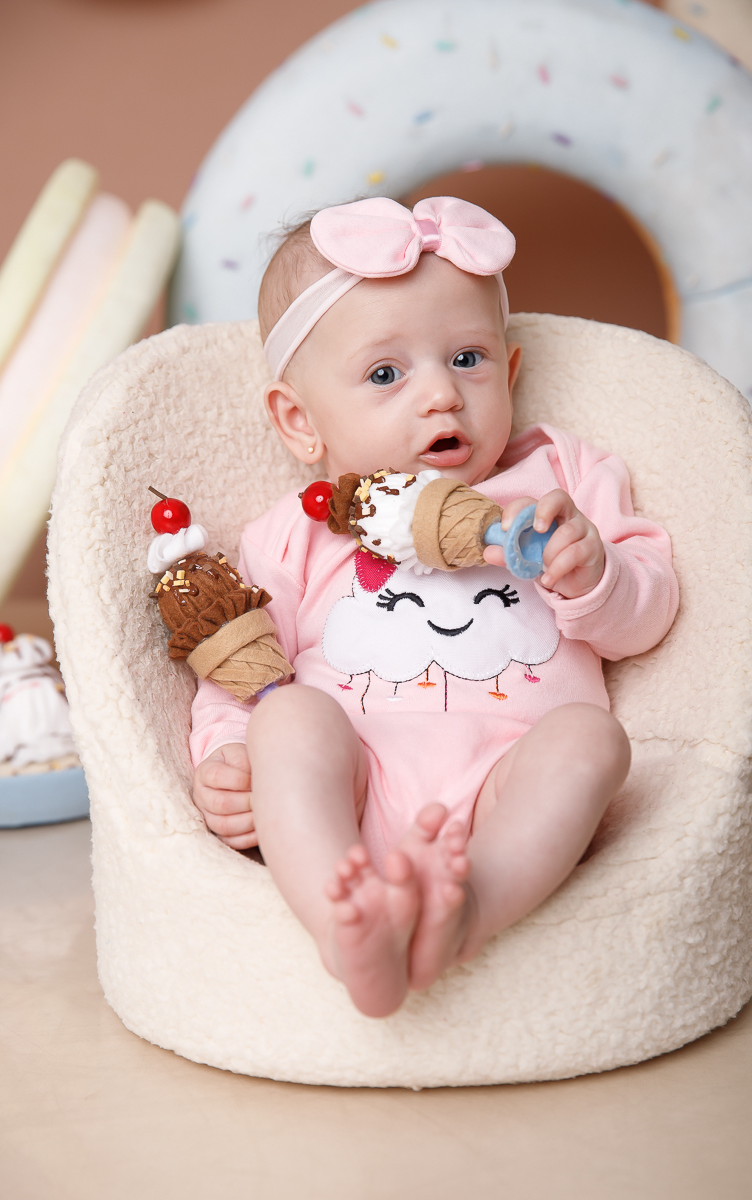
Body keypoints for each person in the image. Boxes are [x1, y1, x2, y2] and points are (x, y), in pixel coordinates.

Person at [189, 196, 678, 1018]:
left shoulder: (560, 478)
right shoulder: (297, 528)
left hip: (509, 786)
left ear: (510, 374)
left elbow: (649, 617)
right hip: (351, 782)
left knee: (591, 740)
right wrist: (229, 757)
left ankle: (471, 907)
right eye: (386, 374)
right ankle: (342, 923)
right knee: (287, 717)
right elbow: (239, 672)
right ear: (300, 422)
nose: (442, 397)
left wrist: (595, 573)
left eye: (467, 358)